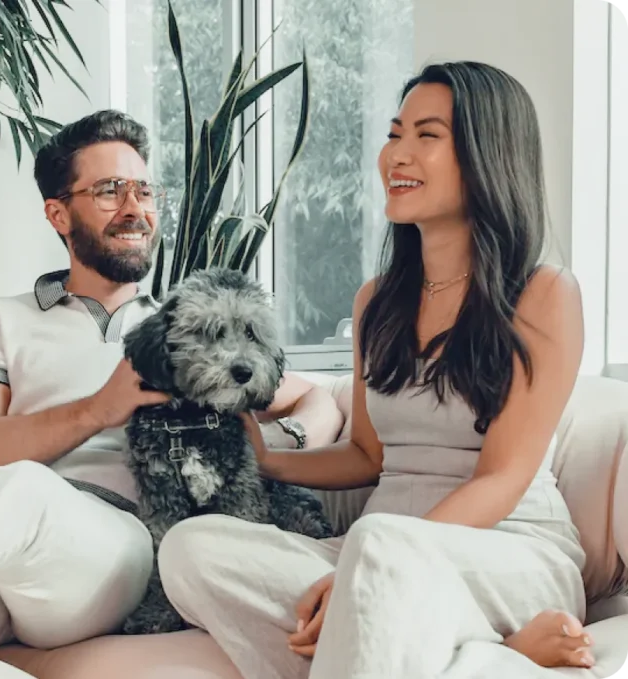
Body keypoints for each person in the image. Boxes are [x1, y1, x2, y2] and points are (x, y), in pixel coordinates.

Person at [0, 110, 345, 677]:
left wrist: (275, 443)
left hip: (125, 547)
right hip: (16, 554)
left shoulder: (192, 328)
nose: (134, 207)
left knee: (21, 495)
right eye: (108, 190)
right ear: (57, 213)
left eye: (143, 190)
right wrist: (100, 408)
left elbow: (319, 400)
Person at [156, 61, 597, 679]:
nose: (397, 154)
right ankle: (482, 651)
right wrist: (268, 460)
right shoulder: (377, 301)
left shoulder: (544, 292)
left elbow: (504, 478)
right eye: (394, 133)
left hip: (507, 551)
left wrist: (377, 560)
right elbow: (367, 454)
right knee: (189, 549)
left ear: (485, 154)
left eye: (427, 135)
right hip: (379, 552)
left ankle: (430, 625)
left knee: (378, 549)